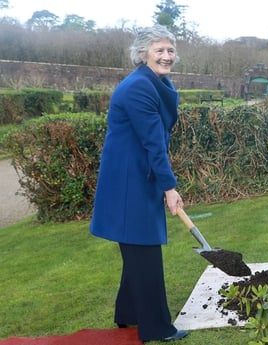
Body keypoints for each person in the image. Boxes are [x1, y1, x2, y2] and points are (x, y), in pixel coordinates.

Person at [89, 25, 188, 343]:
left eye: (170, 50)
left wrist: (162, 184)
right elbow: (153, 142)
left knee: (137, 248)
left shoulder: (157, 82)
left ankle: (128, 314)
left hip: (138, 176)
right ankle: (158, 328)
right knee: (144, 250)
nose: (166, 56)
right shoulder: (138, 88)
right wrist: (169, 188)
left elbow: (156, 139)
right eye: (159, 50)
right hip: (129, 181)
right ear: (143, 54)